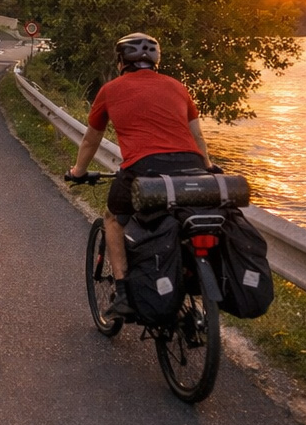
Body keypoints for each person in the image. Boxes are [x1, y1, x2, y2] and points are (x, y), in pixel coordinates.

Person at [65, 32, 213, 317]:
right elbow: (198, 137)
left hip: (145, 169)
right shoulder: (178, 87)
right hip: (191, 167)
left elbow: (90, 140)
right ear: (156, 60)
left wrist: (78, 172)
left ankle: (123, 294)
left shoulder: (110, 90)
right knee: (179, 219)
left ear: (121, 61)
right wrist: (206, 166)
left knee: (112, 218)